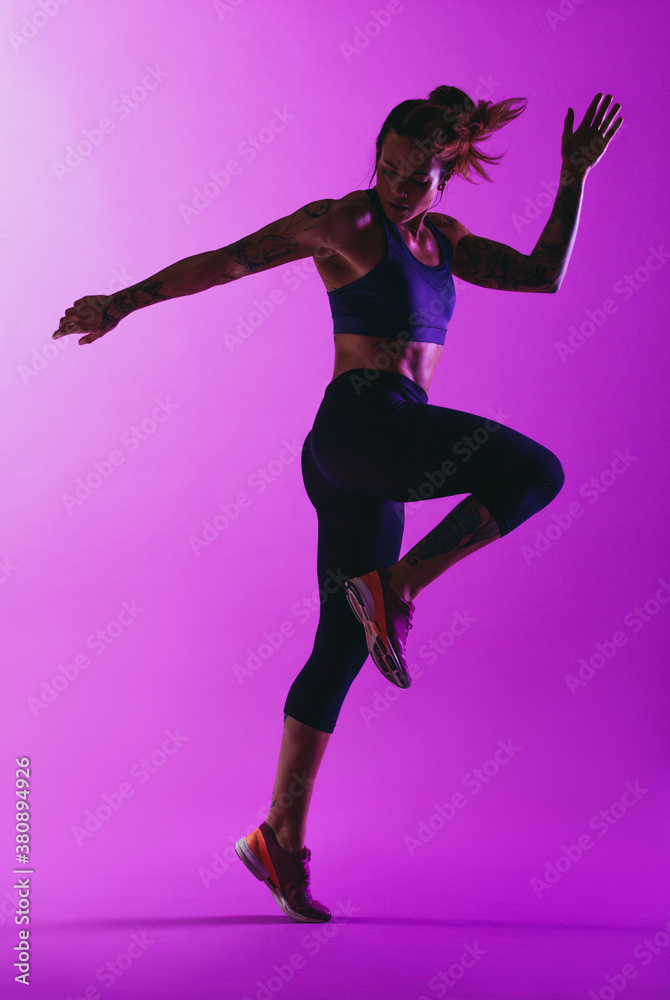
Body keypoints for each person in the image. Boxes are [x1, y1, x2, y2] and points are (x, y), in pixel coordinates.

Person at [53, 86, 623, 924]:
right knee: (534, 470)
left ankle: (276, 838)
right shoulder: (343, 223)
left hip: (380, 452)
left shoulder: (446, 241)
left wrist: (572, 177)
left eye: (415, 174)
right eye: (387, 167)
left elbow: (541, 276)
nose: (395, 185)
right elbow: (229, 258)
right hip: (359, 426)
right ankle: (401, 589)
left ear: (447, 173)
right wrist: (121, 302)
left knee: (340, 647)